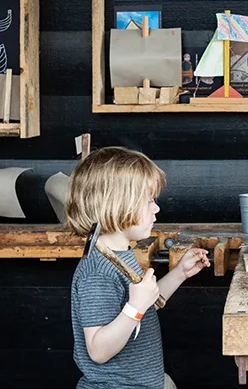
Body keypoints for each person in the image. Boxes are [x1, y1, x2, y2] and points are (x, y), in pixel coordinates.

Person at [67, 147, 210, 389]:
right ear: (117, 205)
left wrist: (179, 274)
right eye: (148, 201)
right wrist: (135, 307)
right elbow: (98, 350)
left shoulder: (119, 253)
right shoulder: (98, 272)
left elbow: (145, 305)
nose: (156, 208)